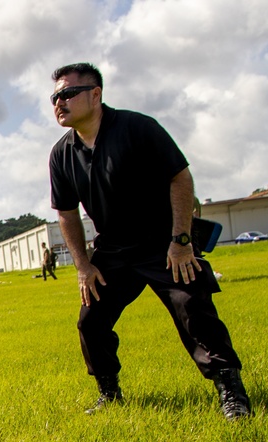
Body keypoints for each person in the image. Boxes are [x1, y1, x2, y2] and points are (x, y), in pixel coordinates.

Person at [48, 62, 249, 419]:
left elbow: (179, 178)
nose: (58, 103)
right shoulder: (61, 154)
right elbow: (65, 212)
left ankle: (230, 391)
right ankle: (109, 393)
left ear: (95, 95)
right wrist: (83, 265)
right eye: (54, 97)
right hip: (112, 249)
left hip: (164, 243)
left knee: (193, 308)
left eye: (66, 94)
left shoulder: (137, 128)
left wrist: (182, 241)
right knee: (90, 321)